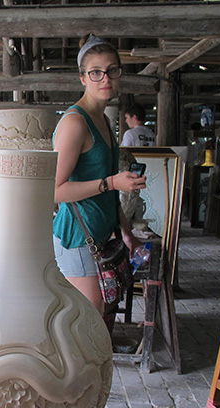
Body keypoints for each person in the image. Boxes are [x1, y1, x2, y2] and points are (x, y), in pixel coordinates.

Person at [52, 34, 147, 317]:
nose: (105, 78)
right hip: (78, 239)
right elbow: (54, 190)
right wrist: (112, 182)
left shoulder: (104, 120)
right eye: (95, 72)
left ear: (119, 75)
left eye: (112, 70)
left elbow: (109, 194)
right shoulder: (75, 123)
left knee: (103, 321)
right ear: (83, 78)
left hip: (103, 236)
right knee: (88, 328)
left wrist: (127, 233)